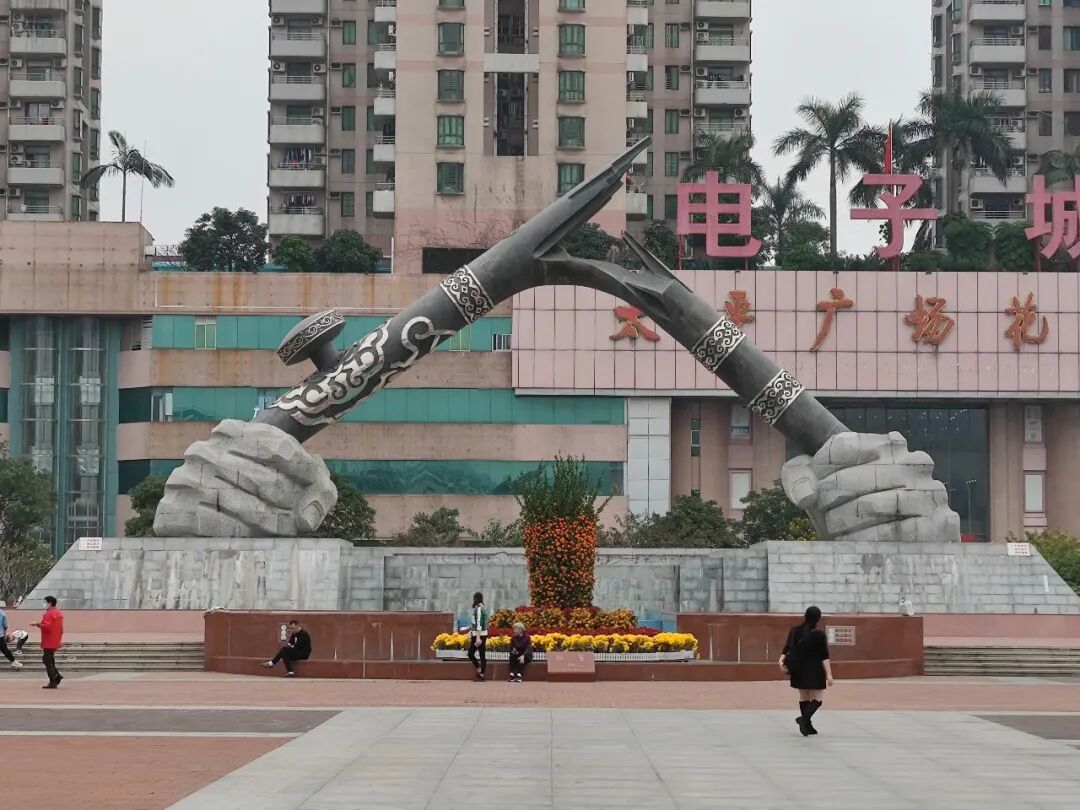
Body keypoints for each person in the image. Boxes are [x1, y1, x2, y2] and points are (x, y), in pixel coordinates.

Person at [779, 606, 834, 736]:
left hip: (798, 669)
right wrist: (829, 674)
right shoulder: (819, 634)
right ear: (818, 618)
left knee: (804, 697)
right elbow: (824, 656)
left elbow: (787, 649)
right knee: (817, 699)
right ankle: (804, 720)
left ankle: (807, 726)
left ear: (805, 616)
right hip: (815, 670)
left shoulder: (794, 630)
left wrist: (781, 661)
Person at [32, 596, 64, 689]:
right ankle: (56, 677)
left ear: (49, 603)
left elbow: (47, 626)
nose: (44, 604)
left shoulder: (49, 614)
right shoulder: (58, 613)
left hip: (48, 640)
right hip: (55, 640)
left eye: (45, 602)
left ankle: (54, 679)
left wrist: (37, 624)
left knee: (47, 660)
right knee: (49, 660)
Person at [463, 592, 489, 681]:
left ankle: (481, 672)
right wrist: (471, 631)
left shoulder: (479, 609)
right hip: (481, 634)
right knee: (481, 654)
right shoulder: (482, 608)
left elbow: (479, 623)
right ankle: (481, 672)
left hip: (479, 635)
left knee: (473, 653)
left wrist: (478, 637)